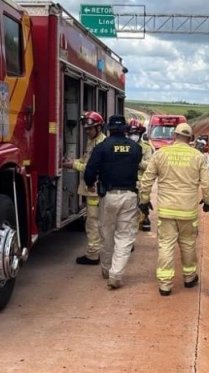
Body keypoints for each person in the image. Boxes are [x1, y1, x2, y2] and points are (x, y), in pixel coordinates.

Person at [138, 122, 209, 296]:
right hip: (188, 211)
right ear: (191, 139)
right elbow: (207, 183)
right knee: (188, 243)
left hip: (166, 210)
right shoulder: (198, 156)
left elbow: (147, 179)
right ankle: (189, 278)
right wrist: (208, 201)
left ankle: (165, 285)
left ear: (174, 137)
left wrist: (144, 200)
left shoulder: (161, 154)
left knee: (166, 245)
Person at [84, 115, 142, 290]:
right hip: (129, 196)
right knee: (125, 236)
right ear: (125, 129)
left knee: (106, 233)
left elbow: (90, 170)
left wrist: (89, 183)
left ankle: (106, 269)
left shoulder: (102, 147)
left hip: (108, 195)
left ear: (108, 129)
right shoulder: (135, 148)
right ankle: (116, 274)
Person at [63, 111, 106, 265]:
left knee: (93, 223)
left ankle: (93, 255)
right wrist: (72, 160)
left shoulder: (101, 144)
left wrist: (72, 165)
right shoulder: (91, 142)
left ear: (99, 128)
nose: (87, 131)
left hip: (94, 190)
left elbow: (91, 167)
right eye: (86, 129)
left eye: (90, 129)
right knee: (93, 222)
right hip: (91, 190)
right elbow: (84, 160)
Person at [127, 119, 155, 231]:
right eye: (131, 133)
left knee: (144, 200)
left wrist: (137, 162)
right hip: (127, 179)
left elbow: (150, 165)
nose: (133, 136)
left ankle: (145, 215)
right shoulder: (124, 146)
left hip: (142, 180)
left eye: (136, 133)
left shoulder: (147, 148)